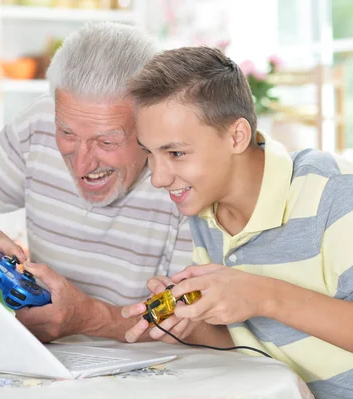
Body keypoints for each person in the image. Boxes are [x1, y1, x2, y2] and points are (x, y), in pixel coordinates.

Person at [0, 22, 193, 343]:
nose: (81, 164)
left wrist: (90, 319)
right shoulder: (38, 122)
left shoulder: (188, 171)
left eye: (106, 142)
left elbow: (197, 325)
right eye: (66, 133)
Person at [121, 46, 353, 398]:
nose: (158, 177)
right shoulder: (203, 210)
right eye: (149, 153)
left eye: (176, 153)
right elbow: (255, 342)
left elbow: (263, 303)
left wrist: (262, 294)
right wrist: (193, 324)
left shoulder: (334, 193)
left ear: (236, 136)